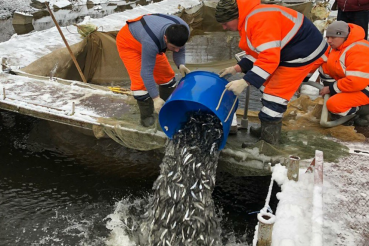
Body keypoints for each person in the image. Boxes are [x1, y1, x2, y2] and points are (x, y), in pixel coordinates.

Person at [215, 0, 328, 145]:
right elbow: (259, 52)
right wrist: (236, 68)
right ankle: (266, 128)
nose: (224, 27)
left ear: (236, 16)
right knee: (265, 86)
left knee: (274, 97)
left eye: (225, 23)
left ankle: (268, 144)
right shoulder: (249, 19)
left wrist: (245, 82)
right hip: (289, 50)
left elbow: (269, 58)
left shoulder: (258, 20)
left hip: (303, 54)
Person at [116, 14, 191, 127]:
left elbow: (179, 50)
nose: (176, 50)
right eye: (173, 47)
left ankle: (166, 106)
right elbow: (146, 72)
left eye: (179, 47)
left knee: (167, 77)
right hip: (129, 42)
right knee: (140, 82)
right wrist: (155, 98)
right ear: (165, 38)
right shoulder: (151, 42)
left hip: (148, 36)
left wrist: (180, 64)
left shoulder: (183, 30)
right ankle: (146, 116)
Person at [318, 21, 369, 122]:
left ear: (344, 36)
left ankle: (364, 111)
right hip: (354, 85)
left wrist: (331, 88)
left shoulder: (358, 49)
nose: (329, 41)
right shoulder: (336, 47)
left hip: (364, 87)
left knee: (334, 104)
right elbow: (320, 63)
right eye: (327, 37)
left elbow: (356, 81)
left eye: (332, 37)